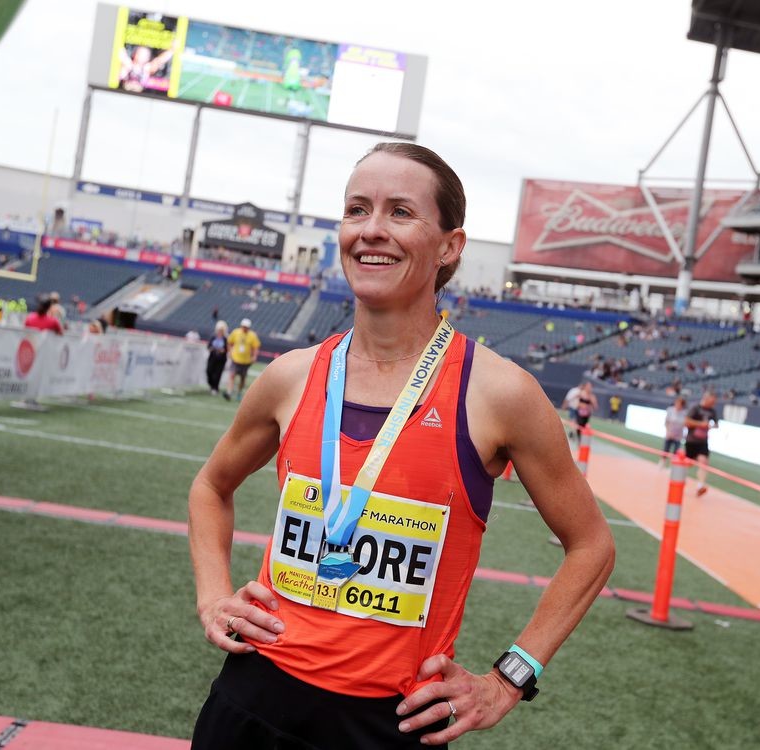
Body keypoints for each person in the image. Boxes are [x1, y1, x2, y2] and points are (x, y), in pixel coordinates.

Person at [188, 143, 615, 749]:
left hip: (390, 725)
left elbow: (592, 546)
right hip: (252, 700)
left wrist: (509, 678)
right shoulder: (291, 376)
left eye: (400, 212)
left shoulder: (498, 393)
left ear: (450, 246)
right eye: (357, 209)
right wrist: (213, 597)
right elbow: (211, 485)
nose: (371, 230)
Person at [684, 391, 718, 496]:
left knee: (703, 462)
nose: (713, 404)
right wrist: (700, 424)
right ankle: (680, 479)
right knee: (688, 463)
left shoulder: (712, 411)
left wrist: (711, 426)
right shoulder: (695, 408)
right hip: (691, 440)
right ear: (706, 398)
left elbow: (716, 424)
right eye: (712, 401)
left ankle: (700, 485)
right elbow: (686, 421)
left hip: (703, 441)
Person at [223, 318, 260, 401]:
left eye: (246, 327)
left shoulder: (252, 335)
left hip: (246, 361)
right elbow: (229, 342)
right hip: (235, 359)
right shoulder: (236, 332)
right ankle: (229, 392)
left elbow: (255, 347)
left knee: (242, 378)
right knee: (232, 375)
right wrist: (229, 351)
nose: (244, 328)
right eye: (243, 326)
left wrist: (254, 356)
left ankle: (239, 392)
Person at [659, 396, 687, 468]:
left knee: (676, 452)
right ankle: (662, 463)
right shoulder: (670, 410)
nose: (677, 405)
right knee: (666, 449)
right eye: (677, 403)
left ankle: (672, 466)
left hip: (678, 436)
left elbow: (685, 425)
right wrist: (668, 431)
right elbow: (666, 422)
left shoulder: (685, 413)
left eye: (680, 404)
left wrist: (683, 435)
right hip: (669, 434)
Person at [206, 320, 229, 395]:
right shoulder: (213, 337)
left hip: (221, 359)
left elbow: (227, 349)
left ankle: (215, 388)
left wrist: (223, 350)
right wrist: (212, 348)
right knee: (209, 371)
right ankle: (211, 385)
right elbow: (209, 346)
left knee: (217, 374)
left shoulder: (225, 338)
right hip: (212, 357)